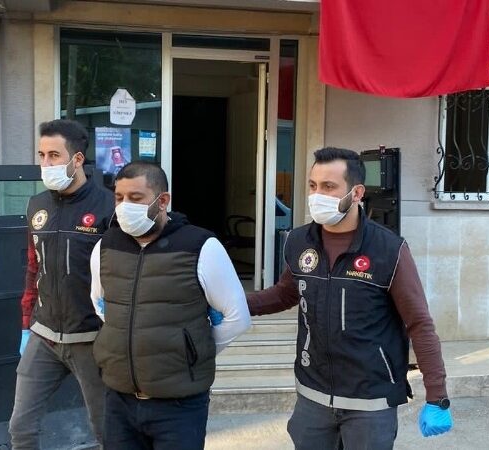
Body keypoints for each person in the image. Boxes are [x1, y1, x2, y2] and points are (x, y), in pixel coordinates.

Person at [248, 147, 453, 450]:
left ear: (356, 193)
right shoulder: (299, 241)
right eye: (313, 186)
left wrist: (437, 396)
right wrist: (235, 305)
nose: (317, 195)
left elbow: (419, 323)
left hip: (370, 402)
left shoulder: (388, 249)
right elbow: (286, 293)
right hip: (313, 396)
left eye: (329, 187)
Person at [90, 161, 251, 450]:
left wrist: (192, 351)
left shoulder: (200, 246)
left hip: (179, 406)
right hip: (119, 400)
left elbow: (236, 317)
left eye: (135, 198)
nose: (124, 206)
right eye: (119, 197)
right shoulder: (107, 245)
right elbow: (100, 304)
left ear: (162, 201)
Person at [9, 119, 113, 450]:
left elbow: (124, 276)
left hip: (92, 339)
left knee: (106, 431)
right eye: (41, 155)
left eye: (54, 155)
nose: (46, 163)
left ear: (77, 159)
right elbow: (33, 268)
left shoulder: (109, 207)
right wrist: (26, 325)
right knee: (20, 428)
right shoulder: (36, 205)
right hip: (44, 337)